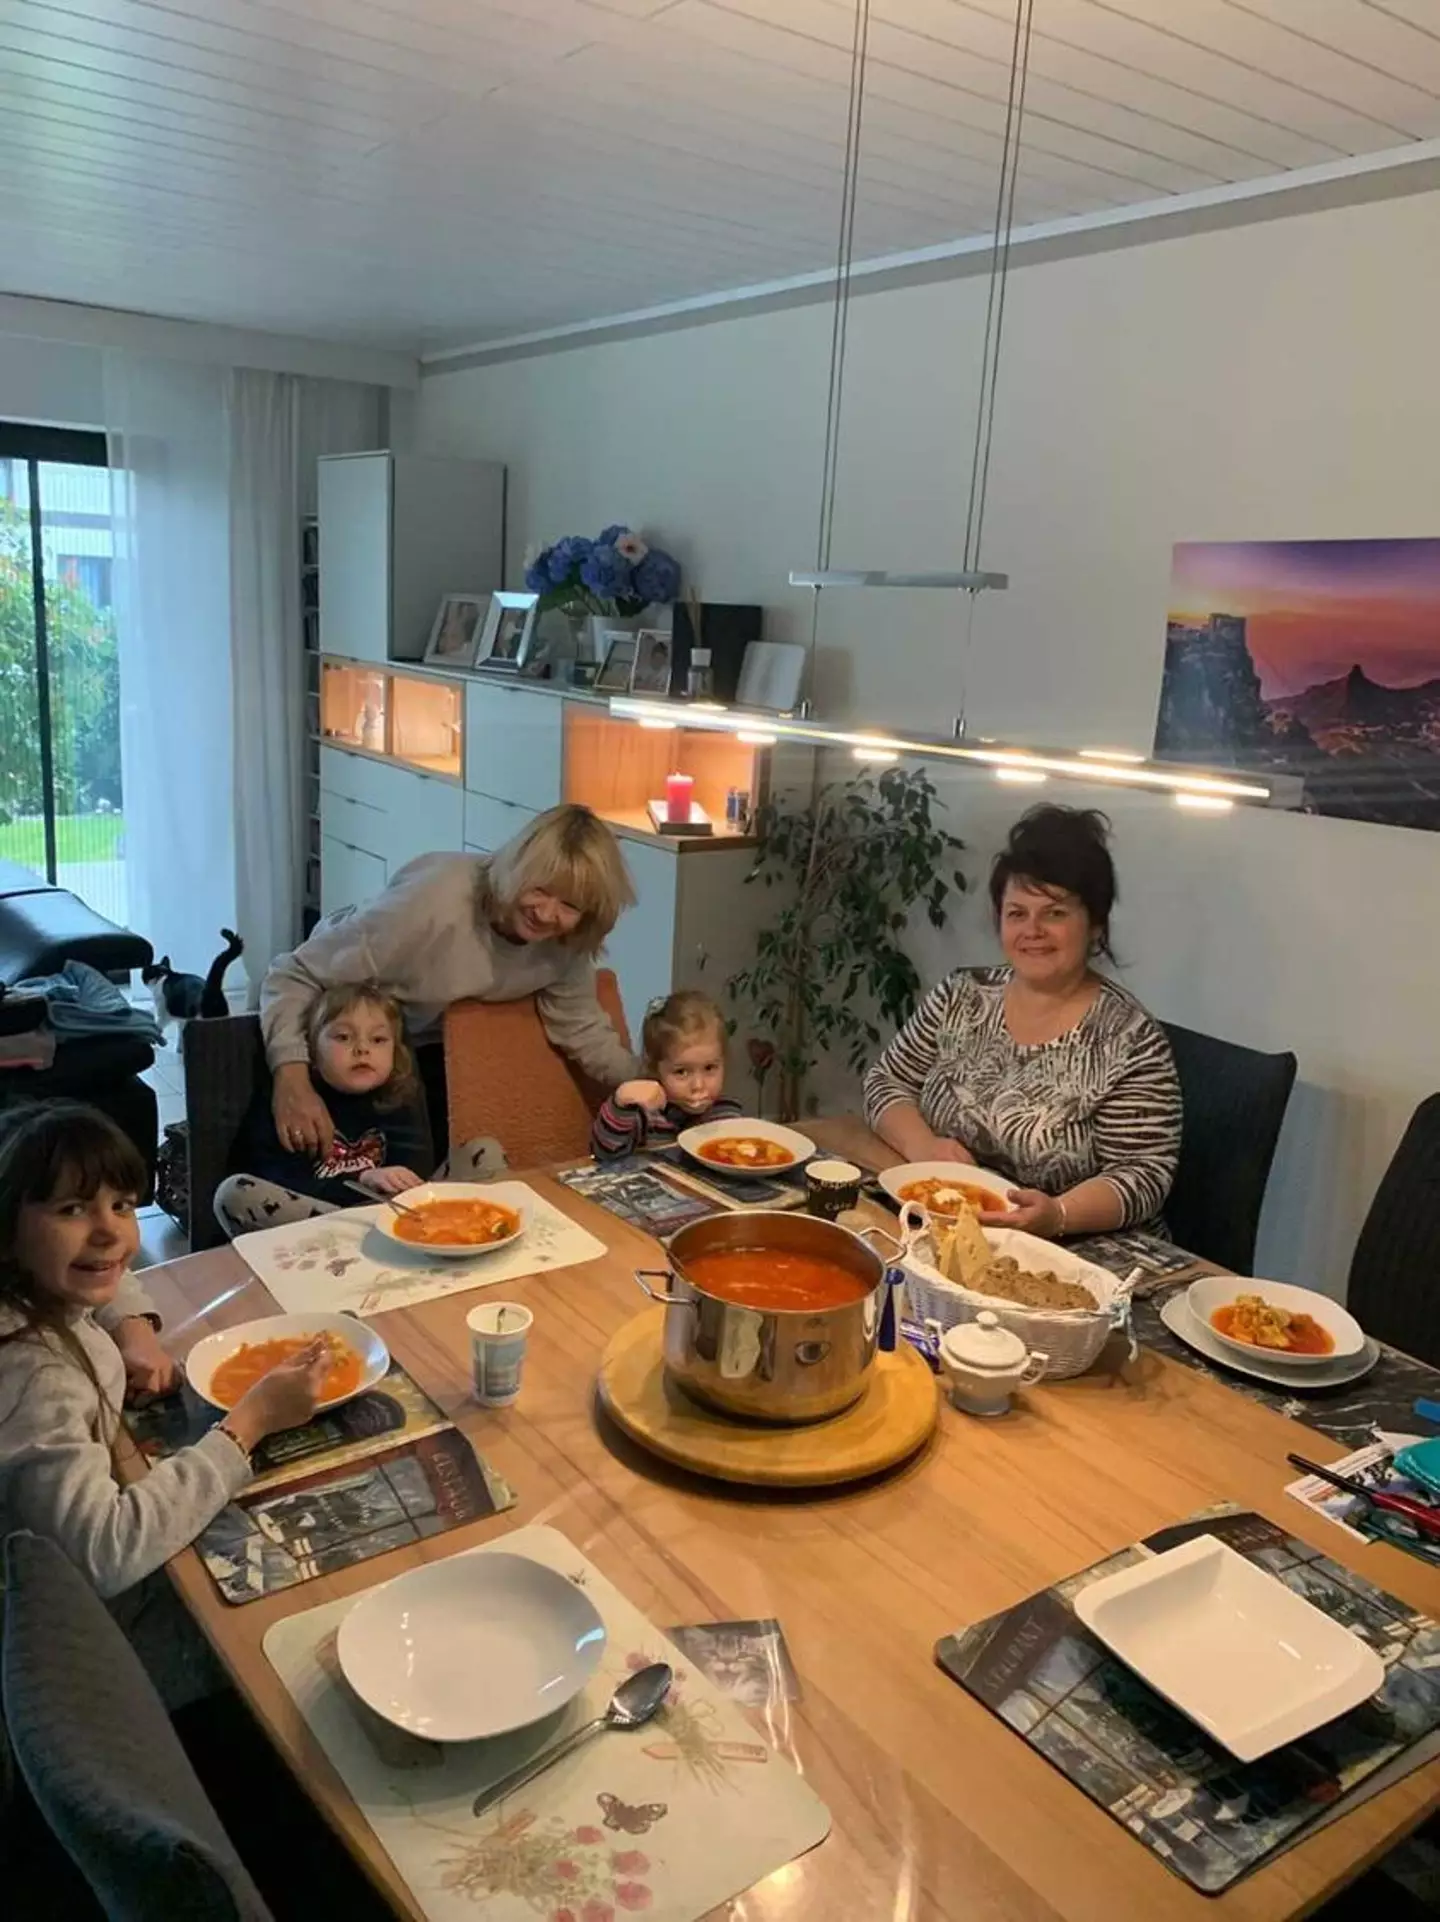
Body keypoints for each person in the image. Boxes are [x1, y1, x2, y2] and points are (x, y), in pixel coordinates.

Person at [0, 1103, 330, 1602]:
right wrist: (250, 1422)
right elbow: (106, 1553)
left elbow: (105, 1271)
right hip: (51, 1615)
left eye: (122, 1205)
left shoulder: (35, 1292)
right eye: (72, 1209)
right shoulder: (36, 1376)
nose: (109, 1231)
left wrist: (131, 1329)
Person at [863, 806, 1181, 1237]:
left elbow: (1144, 1174)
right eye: (1017, 913)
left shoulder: (1131, 1040)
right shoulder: (961, 994)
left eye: (1055, 913)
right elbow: (886, 1081)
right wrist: (923, 1147)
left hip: (1078, 1247)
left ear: (1095, 924)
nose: (1033, 930)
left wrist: (1060, 1214)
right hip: (951, 1224)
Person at [261, 804, 640, 1160]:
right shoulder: (432, 900)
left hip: (423, 1049)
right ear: (516, 869)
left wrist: (651, 1080)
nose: (546, 913)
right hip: (338, 1035)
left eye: (570, 905)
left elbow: (581, 1028)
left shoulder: (566, 941)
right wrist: (291, 1077)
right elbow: (294, 973)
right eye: (539, 889)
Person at [213, 983, 507, 1238]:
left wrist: (402, 1187)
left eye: (378, 1039)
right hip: (327, 1225)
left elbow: (417, 1174)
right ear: (311, 1050)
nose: (362, 1049)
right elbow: (282, 1182)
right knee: (234, 1193)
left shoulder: (400, 1095)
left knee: (485, 1152)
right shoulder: (294, 1103)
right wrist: (362, 1179)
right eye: (343, 1037)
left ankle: (454, 1239)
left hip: (402, 1218)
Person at [592, 990, 742, 1158]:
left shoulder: (727, 1114)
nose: (698, 1085)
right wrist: (620, 1102)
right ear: (656, 1069)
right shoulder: (645, 1116)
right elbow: (603, 1153)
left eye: (709, 1068)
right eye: (681, 1072)